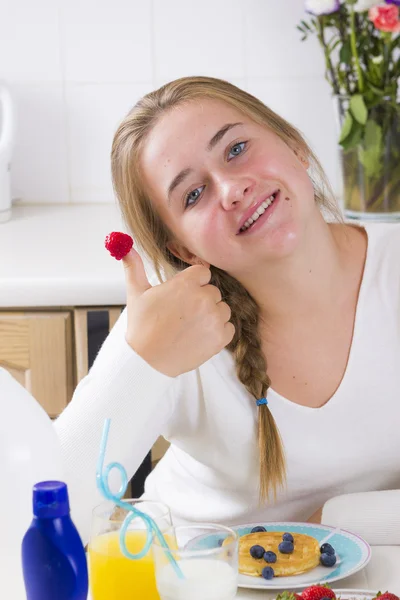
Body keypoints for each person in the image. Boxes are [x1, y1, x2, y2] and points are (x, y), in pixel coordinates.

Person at [54, 76, 400, 544]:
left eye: (236, 149)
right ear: (184, 249)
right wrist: (139, 364)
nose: (232, 188)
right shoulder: (174, 325)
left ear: (294, 145)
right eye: (192, 195)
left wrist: (332, 524)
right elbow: (37, 509)